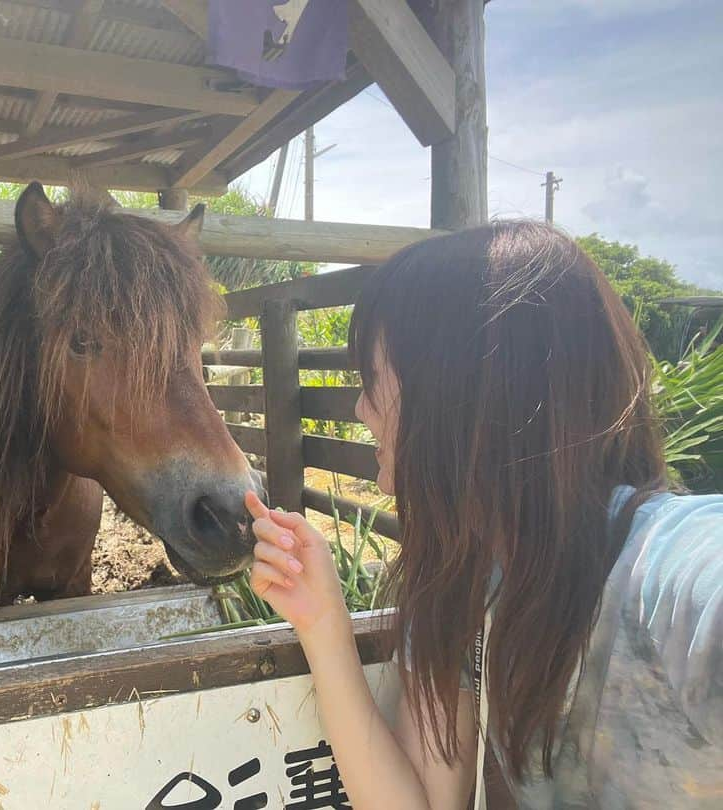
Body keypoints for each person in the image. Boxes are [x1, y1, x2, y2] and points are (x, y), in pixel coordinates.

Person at [244, 221, 722, 809]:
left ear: (458, 391)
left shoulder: (671, 568)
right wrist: (321, 624)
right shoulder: (458, 583)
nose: (362, 407)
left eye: (372, 379)